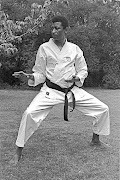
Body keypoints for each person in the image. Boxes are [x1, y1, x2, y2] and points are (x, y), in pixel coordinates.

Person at [10, 15, 110, 165]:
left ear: (65, 29)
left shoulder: (74, 49)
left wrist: (77, 77)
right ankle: (18, 151)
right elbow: (40, 73)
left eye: (57, 28)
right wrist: (29, 76)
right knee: (29, 114)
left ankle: (96, 140)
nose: (53, 31)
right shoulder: (44, 48)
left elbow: (83, 70)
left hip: (71, 91)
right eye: (52, 28)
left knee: (103, 109)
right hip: (50, 91)